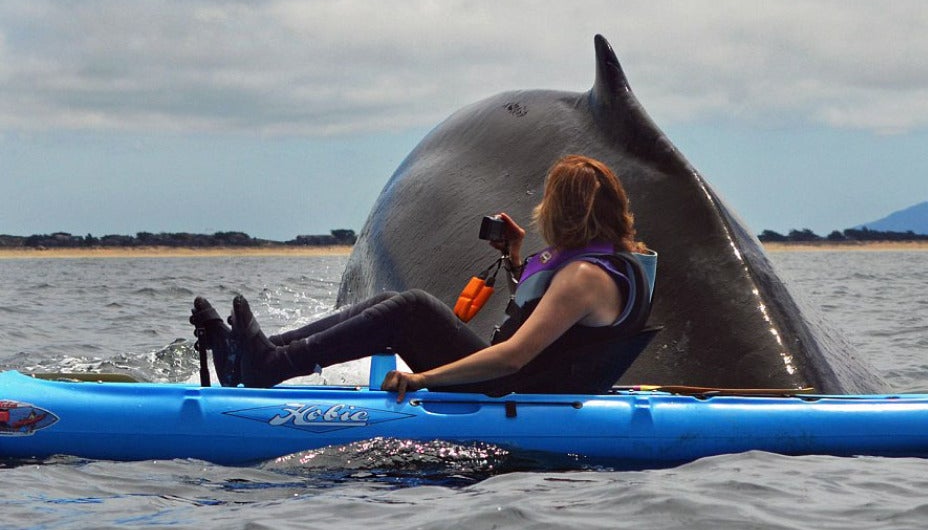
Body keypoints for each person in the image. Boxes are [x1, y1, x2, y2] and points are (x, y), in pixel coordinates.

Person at [189, 154, 652, 401]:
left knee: (410, 309)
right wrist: (515, 260)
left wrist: (424, 379)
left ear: (564, 212)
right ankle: (261, 354)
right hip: (526, 380)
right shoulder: (604, 266)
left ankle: (266, 365)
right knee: (394, 301)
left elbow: (514, 356)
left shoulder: (584, 277)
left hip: (511, 388)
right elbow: (551, 325)